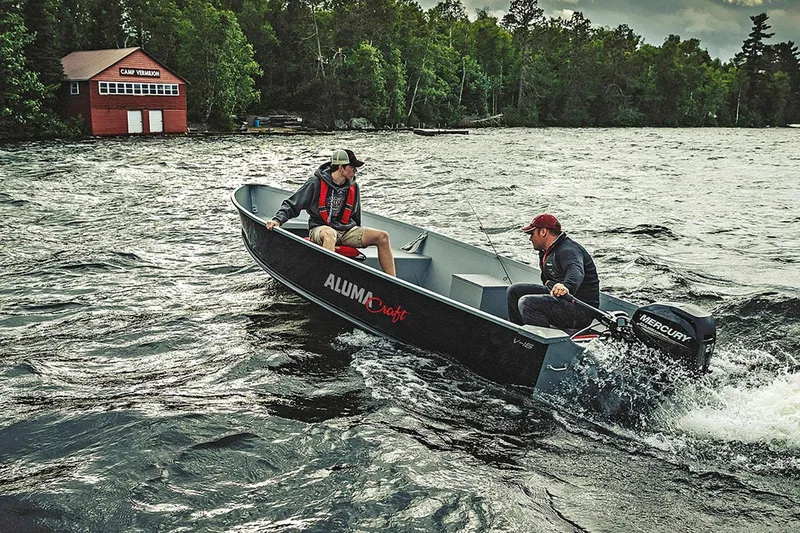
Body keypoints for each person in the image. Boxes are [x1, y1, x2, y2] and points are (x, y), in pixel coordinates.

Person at [265, 149, 396, 276]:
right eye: (352, 167)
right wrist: (277, 220)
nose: (355, 171)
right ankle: (326, 277)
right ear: (341, 167)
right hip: (320, 229)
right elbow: (292, 204)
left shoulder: (353, 186)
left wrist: (356, 235)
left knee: (382, 236)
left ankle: (393, 282)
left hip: (345, 231)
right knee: (330, 234)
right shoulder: (315, 183)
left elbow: (355, 215)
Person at [506, 213, 599, 330]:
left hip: (580, 311)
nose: (530, 238)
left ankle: (540, 341)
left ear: (543, 232)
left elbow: (576, 270)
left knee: (528, 303)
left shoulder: (568, 250)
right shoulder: (545, 251)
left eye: (531, 233)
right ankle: (517, 333)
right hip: (559, 299)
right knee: (515, 291)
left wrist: (566, 286)